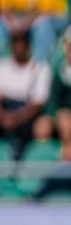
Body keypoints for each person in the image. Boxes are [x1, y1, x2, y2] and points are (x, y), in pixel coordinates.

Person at [0, 27, 49, 158]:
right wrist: (4, 117)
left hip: (27, 113)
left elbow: (37, 103)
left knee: (39, 127)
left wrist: (16, 119)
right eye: (16, 43)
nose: (19, 47)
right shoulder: (3, 67)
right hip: (5, 111)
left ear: (28, 45)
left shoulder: (39, 68)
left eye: (22, 43)